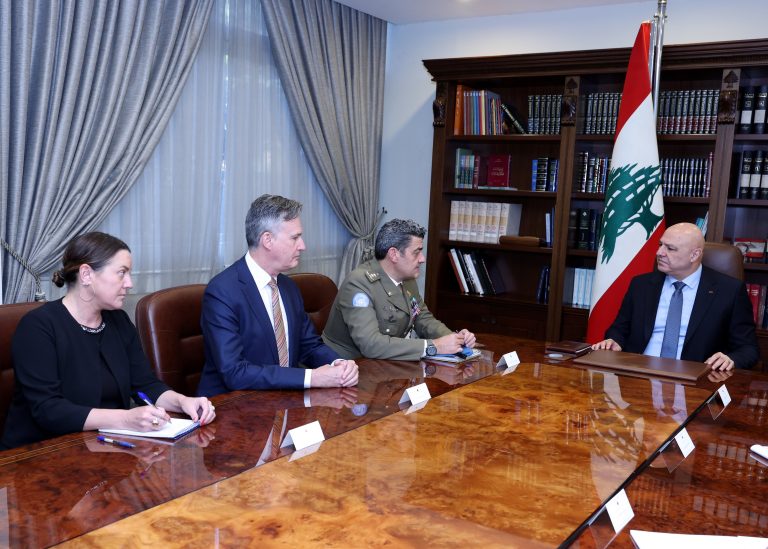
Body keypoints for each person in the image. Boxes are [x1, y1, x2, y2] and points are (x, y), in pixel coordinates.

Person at [0, 232, 216, 450]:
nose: (129, 283)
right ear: (86, 275)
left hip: (102, 447)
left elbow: (145, 384)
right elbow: (48, 409)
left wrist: (183, 401)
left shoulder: (118, 320)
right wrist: (125, 418)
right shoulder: (38, 327)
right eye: (122, 273)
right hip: (39, 453)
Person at [196, 194, 358, 396]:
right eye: (295, 238)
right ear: (267, 240)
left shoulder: (288, 287)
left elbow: (308, 345)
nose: (302, 246)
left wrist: (338, 364)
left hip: (283, 399)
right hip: (231, 404)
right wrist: (312, 377)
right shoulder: (222, 292)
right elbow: (234, 372)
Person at [592, 222, 759, 371]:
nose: (659, 252)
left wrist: (730, 359)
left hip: (694, 380)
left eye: (670, 248)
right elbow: (619, 329)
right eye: (660, 245)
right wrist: (614, 340)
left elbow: (748, 349)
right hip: (638, 373)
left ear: (694, 255)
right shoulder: (641, 285)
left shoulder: (729, 291)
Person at [322, 218, 476, 360]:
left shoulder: (407, 279)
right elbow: (371, 344)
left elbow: (422, 318)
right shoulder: (358, 284)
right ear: (394, 254)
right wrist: (433, 346)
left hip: (384, 364)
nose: (422, 259)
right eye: (416, 252)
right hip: (347, 366)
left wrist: (454, 339)